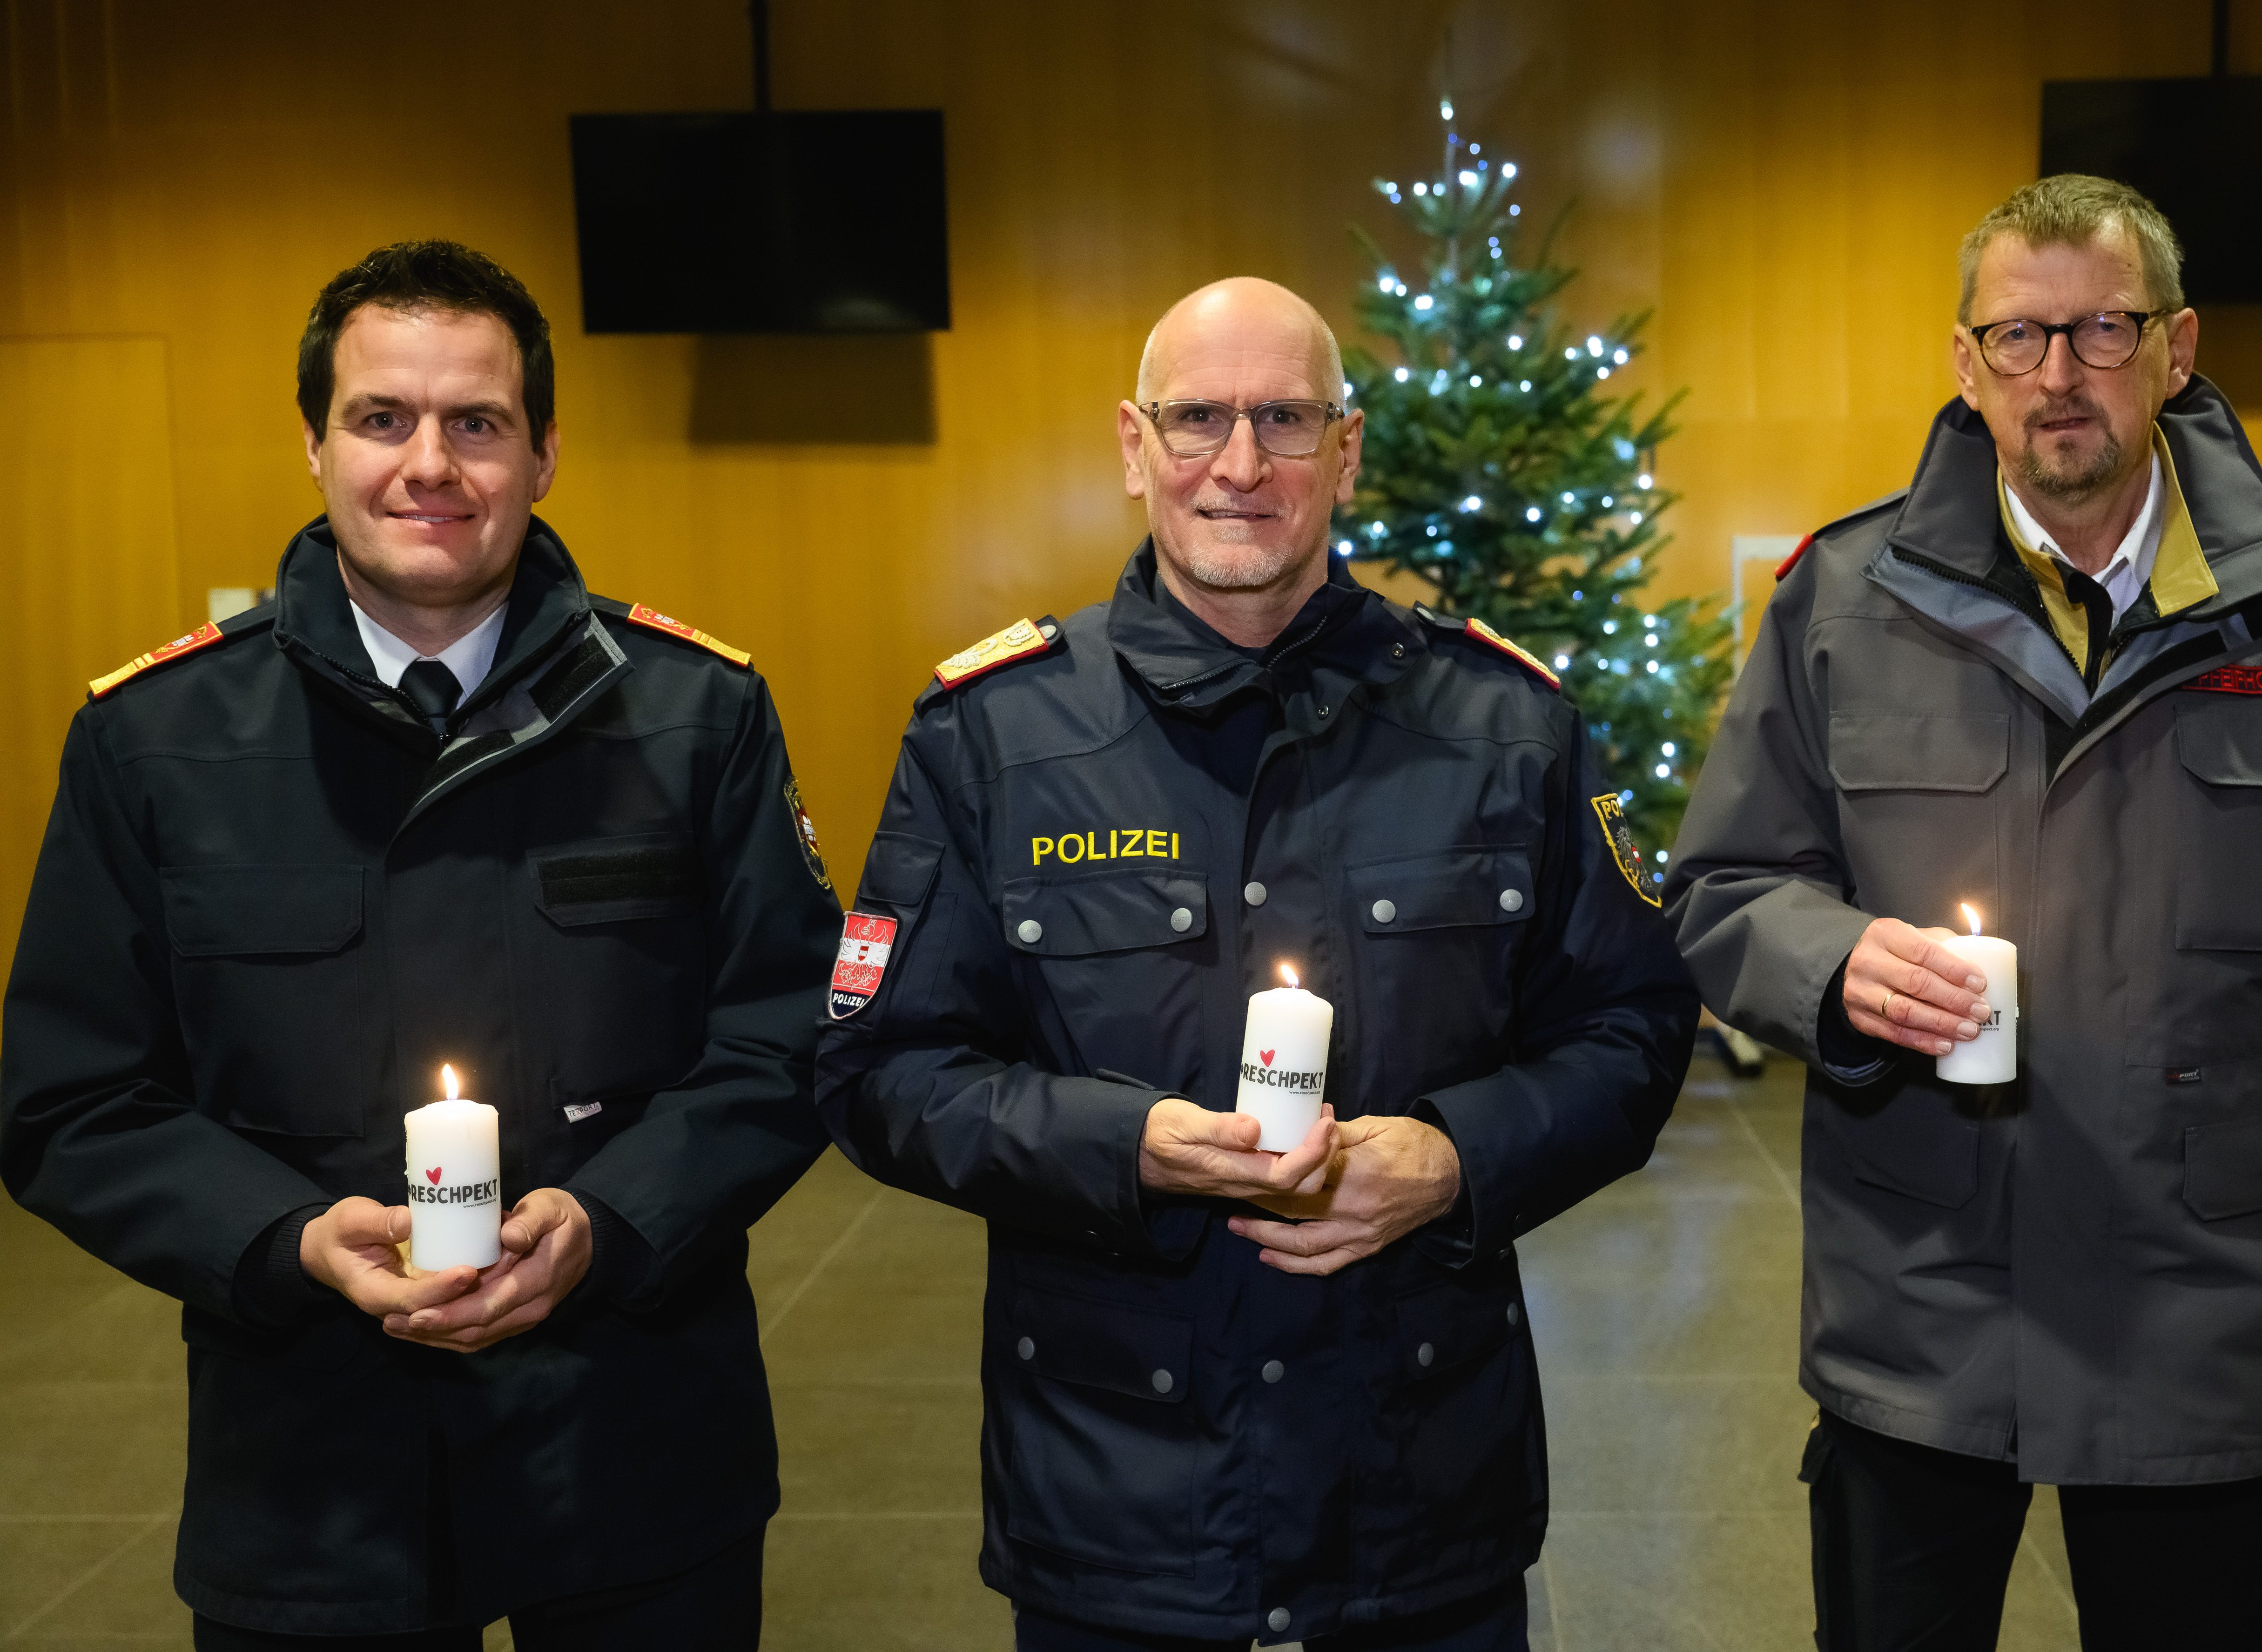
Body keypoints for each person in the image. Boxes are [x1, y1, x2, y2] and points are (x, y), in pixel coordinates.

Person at [816, 276, 1696, 1651]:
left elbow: (1634, 1030)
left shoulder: (1504, 724)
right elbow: (879, 1071)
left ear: (1345, 451)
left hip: (1420, 1490)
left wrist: (1456, 1158)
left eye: (1285, 419)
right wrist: (1126, 1147)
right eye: (1198, 419)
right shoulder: (992, 736)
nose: (1240, 464)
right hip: (1120, 1503)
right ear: (1133, 446)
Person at [1664, 174, 2262, 1650]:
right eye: (2017, 336)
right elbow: (1722, 888)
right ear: (1964, 362)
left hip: (2204, 1303)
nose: (2058, 374)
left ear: (2174, 347)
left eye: (2102, 330)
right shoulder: (1840, 597)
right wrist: (1837, 962)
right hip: (1922, 1294)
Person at [1, 241, 842, 1647]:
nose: (429, 465)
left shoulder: (696, 717)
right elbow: (70, 1096)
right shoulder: (154, 742)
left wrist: (611, 1222)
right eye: (382, 417)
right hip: (315, 1465)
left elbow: (792, 1030)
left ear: (544, 453)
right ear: (315, 445)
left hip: (630, 1441)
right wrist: (284, 1241)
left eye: (478, 423)